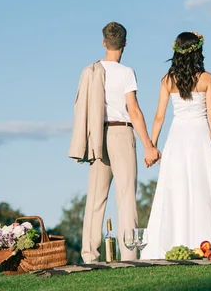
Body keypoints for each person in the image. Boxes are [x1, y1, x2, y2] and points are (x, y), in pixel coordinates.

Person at [68, 22, 160, 263]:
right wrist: (149, 145)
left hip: (97, 135)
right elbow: (134, 111)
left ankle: (89, 255)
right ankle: (129, 254)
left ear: (103, 42)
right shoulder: (126, 73)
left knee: (96, 199)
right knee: (126, 196)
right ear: (125, 44)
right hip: (121, 134)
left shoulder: (90, 71)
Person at [140, 31, 211, 259]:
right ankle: (204, 248)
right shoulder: (207, 78)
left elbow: (159, 117)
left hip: (177, 139)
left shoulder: (167, 80)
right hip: (200, 139)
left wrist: (152, 146)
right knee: (200, 190)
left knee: (174, 190)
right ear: (198, 52)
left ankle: (169, 244)